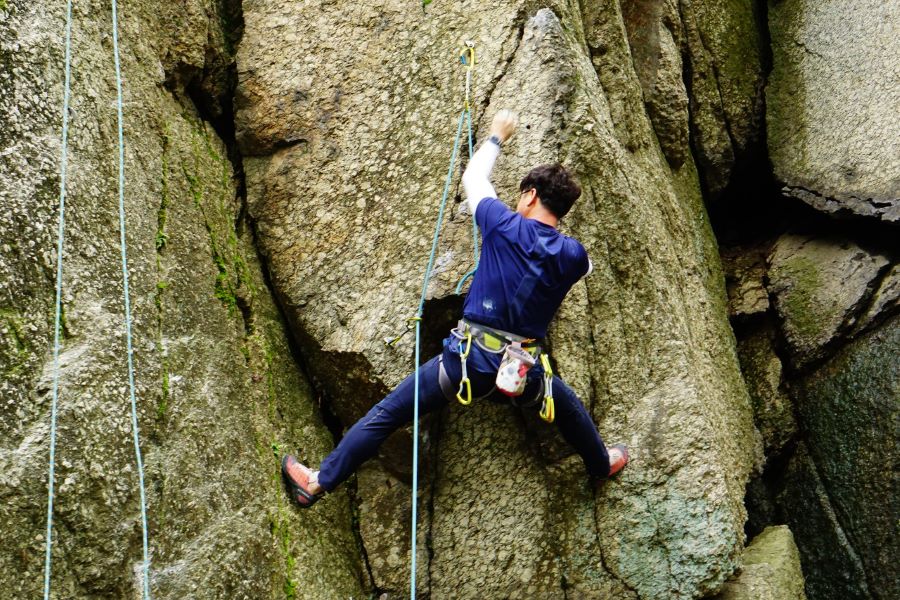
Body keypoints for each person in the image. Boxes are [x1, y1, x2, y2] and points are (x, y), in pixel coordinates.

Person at [282, 109, 629, 507]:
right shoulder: (573, 256)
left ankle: (317, 483)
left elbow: (473, 178)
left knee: (389, 413)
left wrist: (497, 136)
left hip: (466, 365)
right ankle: (601, 463)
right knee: (567, 408)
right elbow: (585, 267)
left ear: (530, 195)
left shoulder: (503, 225)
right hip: (522, 373)